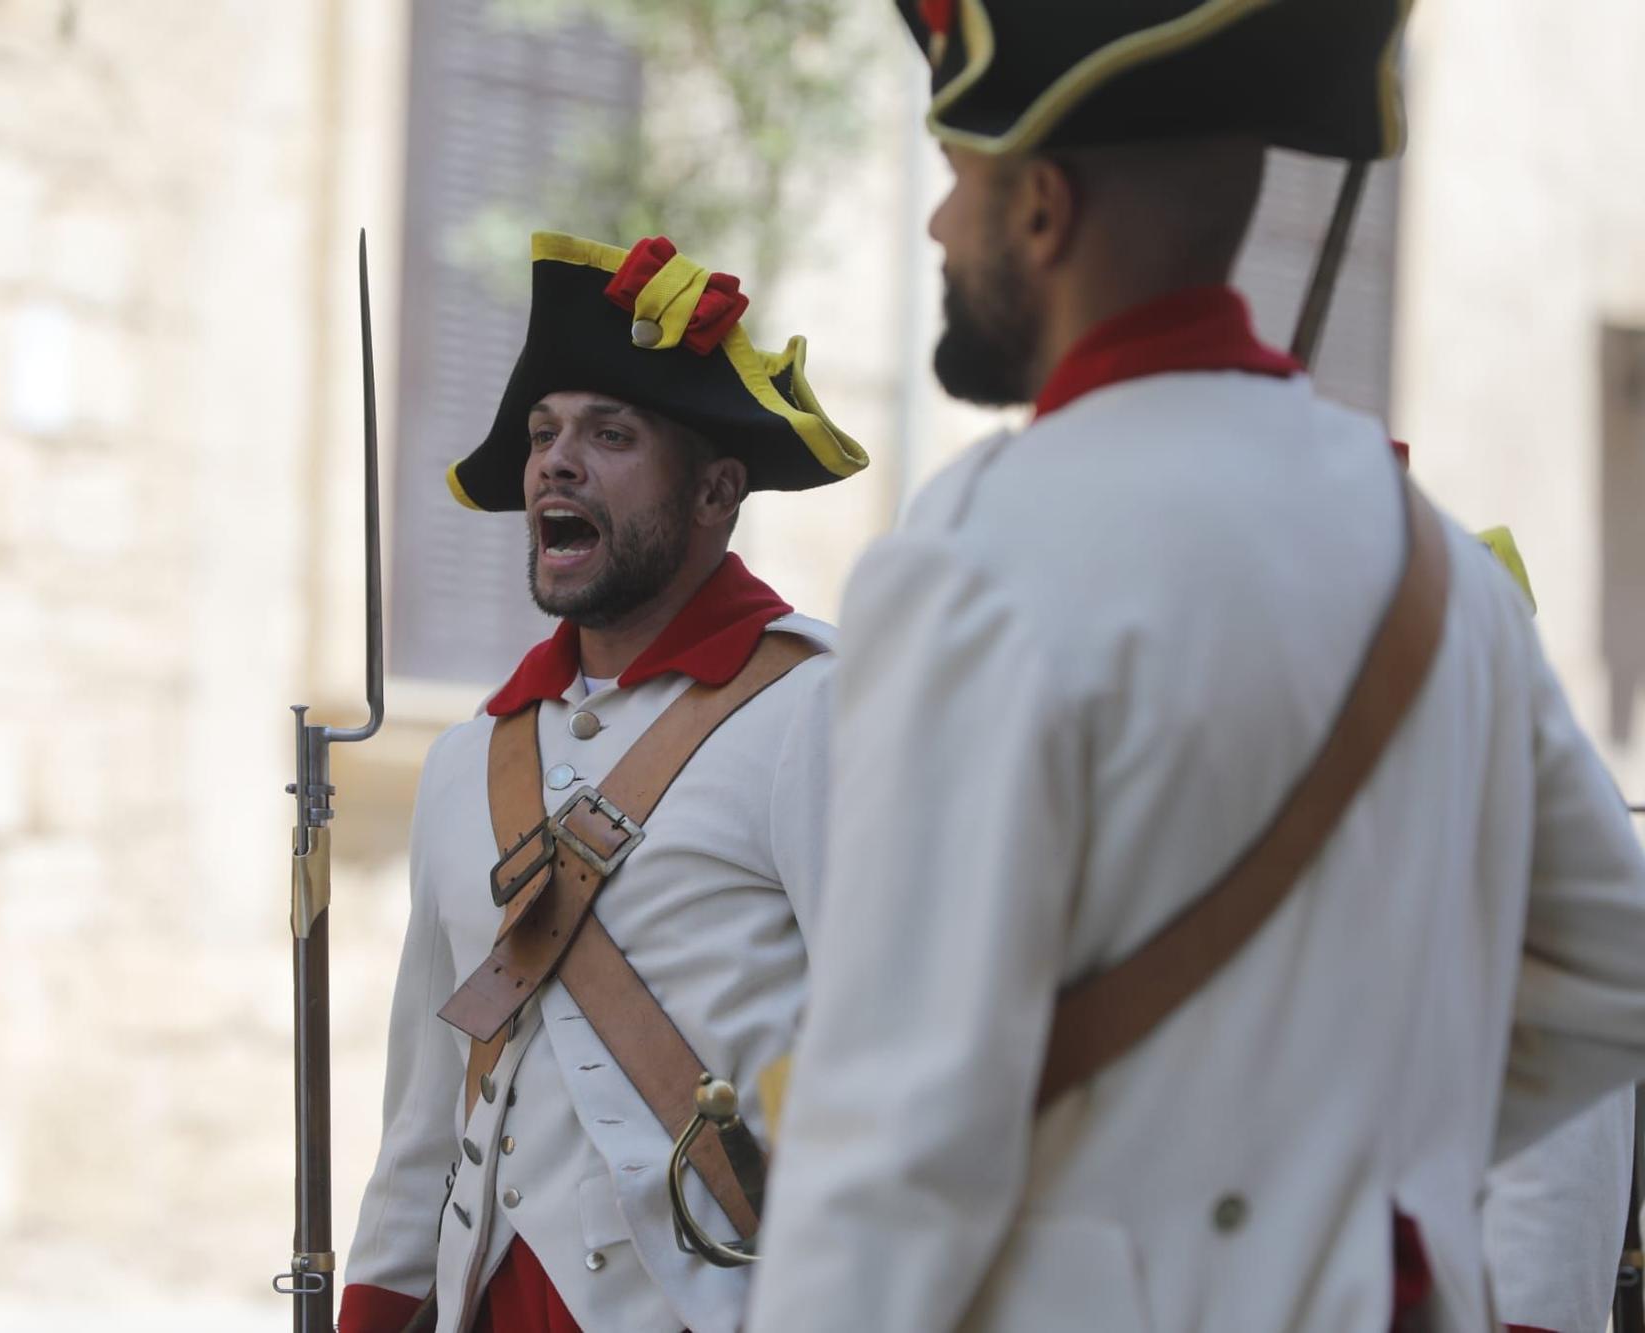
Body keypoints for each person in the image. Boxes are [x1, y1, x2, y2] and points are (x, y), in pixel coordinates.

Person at [747, 4, 1645, 1330]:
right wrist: (1341, 1161)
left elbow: (892, 1153)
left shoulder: (969, 557)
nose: (938, 227)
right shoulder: (1444, 570)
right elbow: (1614, 969)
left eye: (957, 179)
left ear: (1042, 211)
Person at [337, 230, 867, 1333]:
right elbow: (424, 1122)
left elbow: (888, 1069)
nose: (553, 463)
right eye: (541, 434)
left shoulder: (821, 709)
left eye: (608, 434)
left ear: (717, 488)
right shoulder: (466, 760)